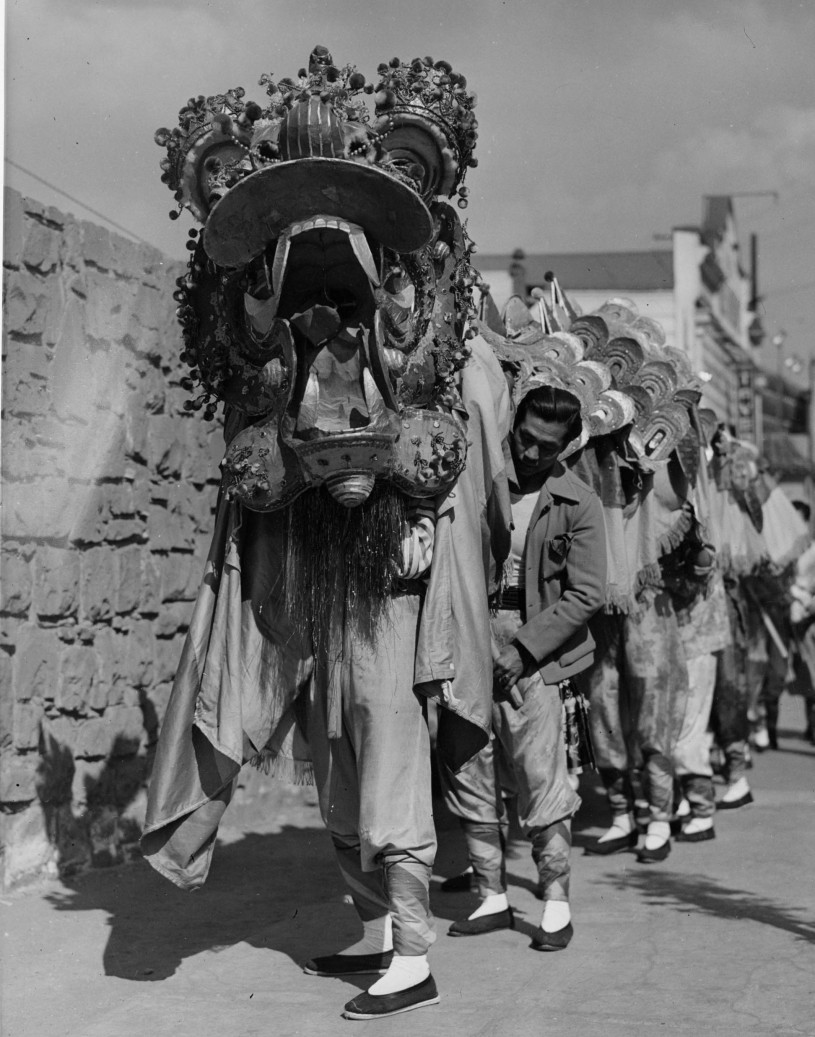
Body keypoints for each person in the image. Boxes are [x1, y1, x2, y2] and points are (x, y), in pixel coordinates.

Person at [441, 384, 606, 950]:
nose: (531, 453)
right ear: (512, 427)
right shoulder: (479, 482)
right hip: (469, 640)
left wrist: (521, 651)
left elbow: (586, 593)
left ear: (567, 447)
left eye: (547, 447)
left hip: (536, 657)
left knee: (540, 776)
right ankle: (490, 894)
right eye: (525, 439)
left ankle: (555, 900)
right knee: (468, 765)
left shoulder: (578, 502)